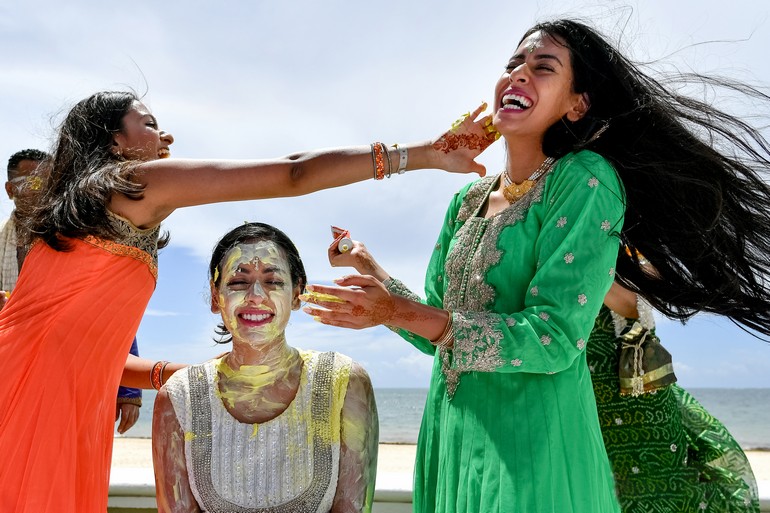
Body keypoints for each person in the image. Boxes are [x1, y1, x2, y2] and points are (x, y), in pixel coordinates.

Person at [301, 19, 770, 513]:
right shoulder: (467, 200)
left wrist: (393, 311)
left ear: (576, 104)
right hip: (453, 434)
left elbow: (553, 337)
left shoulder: (585, 180)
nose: (518, 74)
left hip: (533, 445)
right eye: (512, 65)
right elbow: (436, 331)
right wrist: (374, 277)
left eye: (542, 67)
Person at [0, 90, 492, 513]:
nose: (164, 136)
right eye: (149, 125)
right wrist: (426, 153)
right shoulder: (134, 184)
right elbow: (293, 174)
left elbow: (87, 351)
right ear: (114, 141)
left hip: (56, 386)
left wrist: (194, 375)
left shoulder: (74, 214)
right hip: (39, 393)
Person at [153, 222, 378, 513]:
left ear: (297, 293)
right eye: (237, 282)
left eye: (273, 281)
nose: (256, 295)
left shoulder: (343, 382)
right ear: (215, 296)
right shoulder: (178, 398)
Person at [1, 149, 145, 434]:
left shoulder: (79, 239)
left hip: (73, 371)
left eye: (48, 180)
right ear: (9, 190)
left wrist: (128, 390)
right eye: (30, 182)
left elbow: (110, 308)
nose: (41, 189)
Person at [589, 282, 760, 512]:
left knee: (664, 483)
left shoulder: (630, 261)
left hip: (646, 403)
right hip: (595, 400)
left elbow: (637, 302)